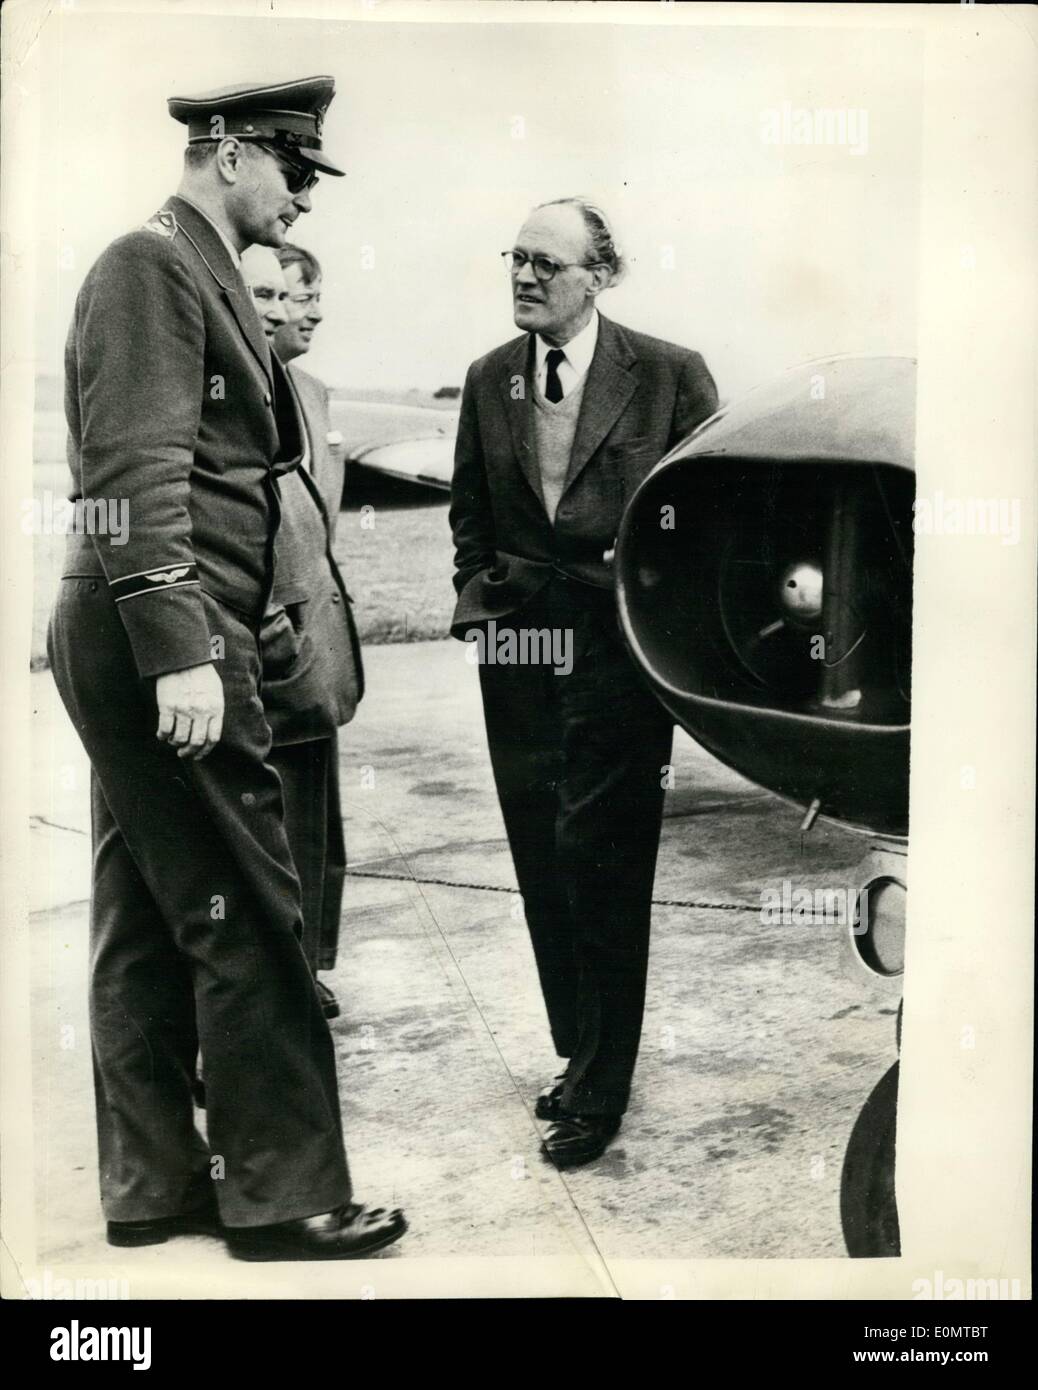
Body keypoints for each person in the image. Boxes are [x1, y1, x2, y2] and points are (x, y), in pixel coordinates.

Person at [48, 77, 406, 1260]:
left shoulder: (194, 270)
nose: (305, 199)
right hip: (169, 631)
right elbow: (130, 477)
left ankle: (154, 1183)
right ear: (235, 150)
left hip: (156, 634)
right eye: (297, 171)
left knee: (152, 907)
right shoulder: (148, 267)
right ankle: (283, 1193)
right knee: (253, 908)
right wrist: (184, 654)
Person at [449, 197, 719, 1169]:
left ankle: (601, 1085)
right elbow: (471, 514)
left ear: (598, 276)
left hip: (617, 657)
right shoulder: (489, 381)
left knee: (600, 860)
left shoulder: (669, 375)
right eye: (514, 257)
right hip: (518, 654)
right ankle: (579, 1053)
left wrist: (666, 646)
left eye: (545, 263)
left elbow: (704, 520)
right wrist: (480, 607)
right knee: (540, 859)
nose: (523, 275)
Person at [240, 243, 361, 1019]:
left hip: (311, 648)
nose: (294, 312)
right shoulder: (232, 389)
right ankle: (272, 987)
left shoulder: (310, 392)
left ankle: (304, 969)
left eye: (303, 298)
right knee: (264, 830)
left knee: (315, 826)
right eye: (275, 296)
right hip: (264, 646)